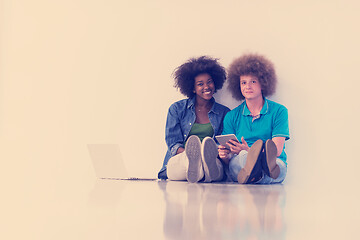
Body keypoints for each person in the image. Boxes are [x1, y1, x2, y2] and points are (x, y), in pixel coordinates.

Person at [218, 53, 290, 184]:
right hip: (240, 161)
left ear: (263, 83)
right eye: (243, 82)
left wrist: (248, 150)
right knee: (238, 161)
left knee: (278, 167)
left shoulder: (279, 111)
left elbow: (277, 151)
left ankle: (254, 174)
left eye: (253, 81)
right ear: (238, 86)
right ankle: (259, 174)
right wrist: (225, 155)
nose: (247, 86)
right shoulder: (231, 116)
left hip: (272, 161)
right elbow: (229, 158)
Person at [158, 56, 230, 183]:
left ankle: (203, 170)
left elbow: (222, 145)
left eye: (209, 82)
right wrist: (192, 156)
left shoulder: (224, 113)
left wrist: (208, 156)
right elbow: (173, 144)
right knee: (183, 164)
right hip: (182, 158)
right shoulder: (177, 109)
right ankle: (197, 167)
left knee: (213, 166)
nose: (206, 87)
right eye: (200, 84)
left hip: (211, 159)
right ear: (192, 88)